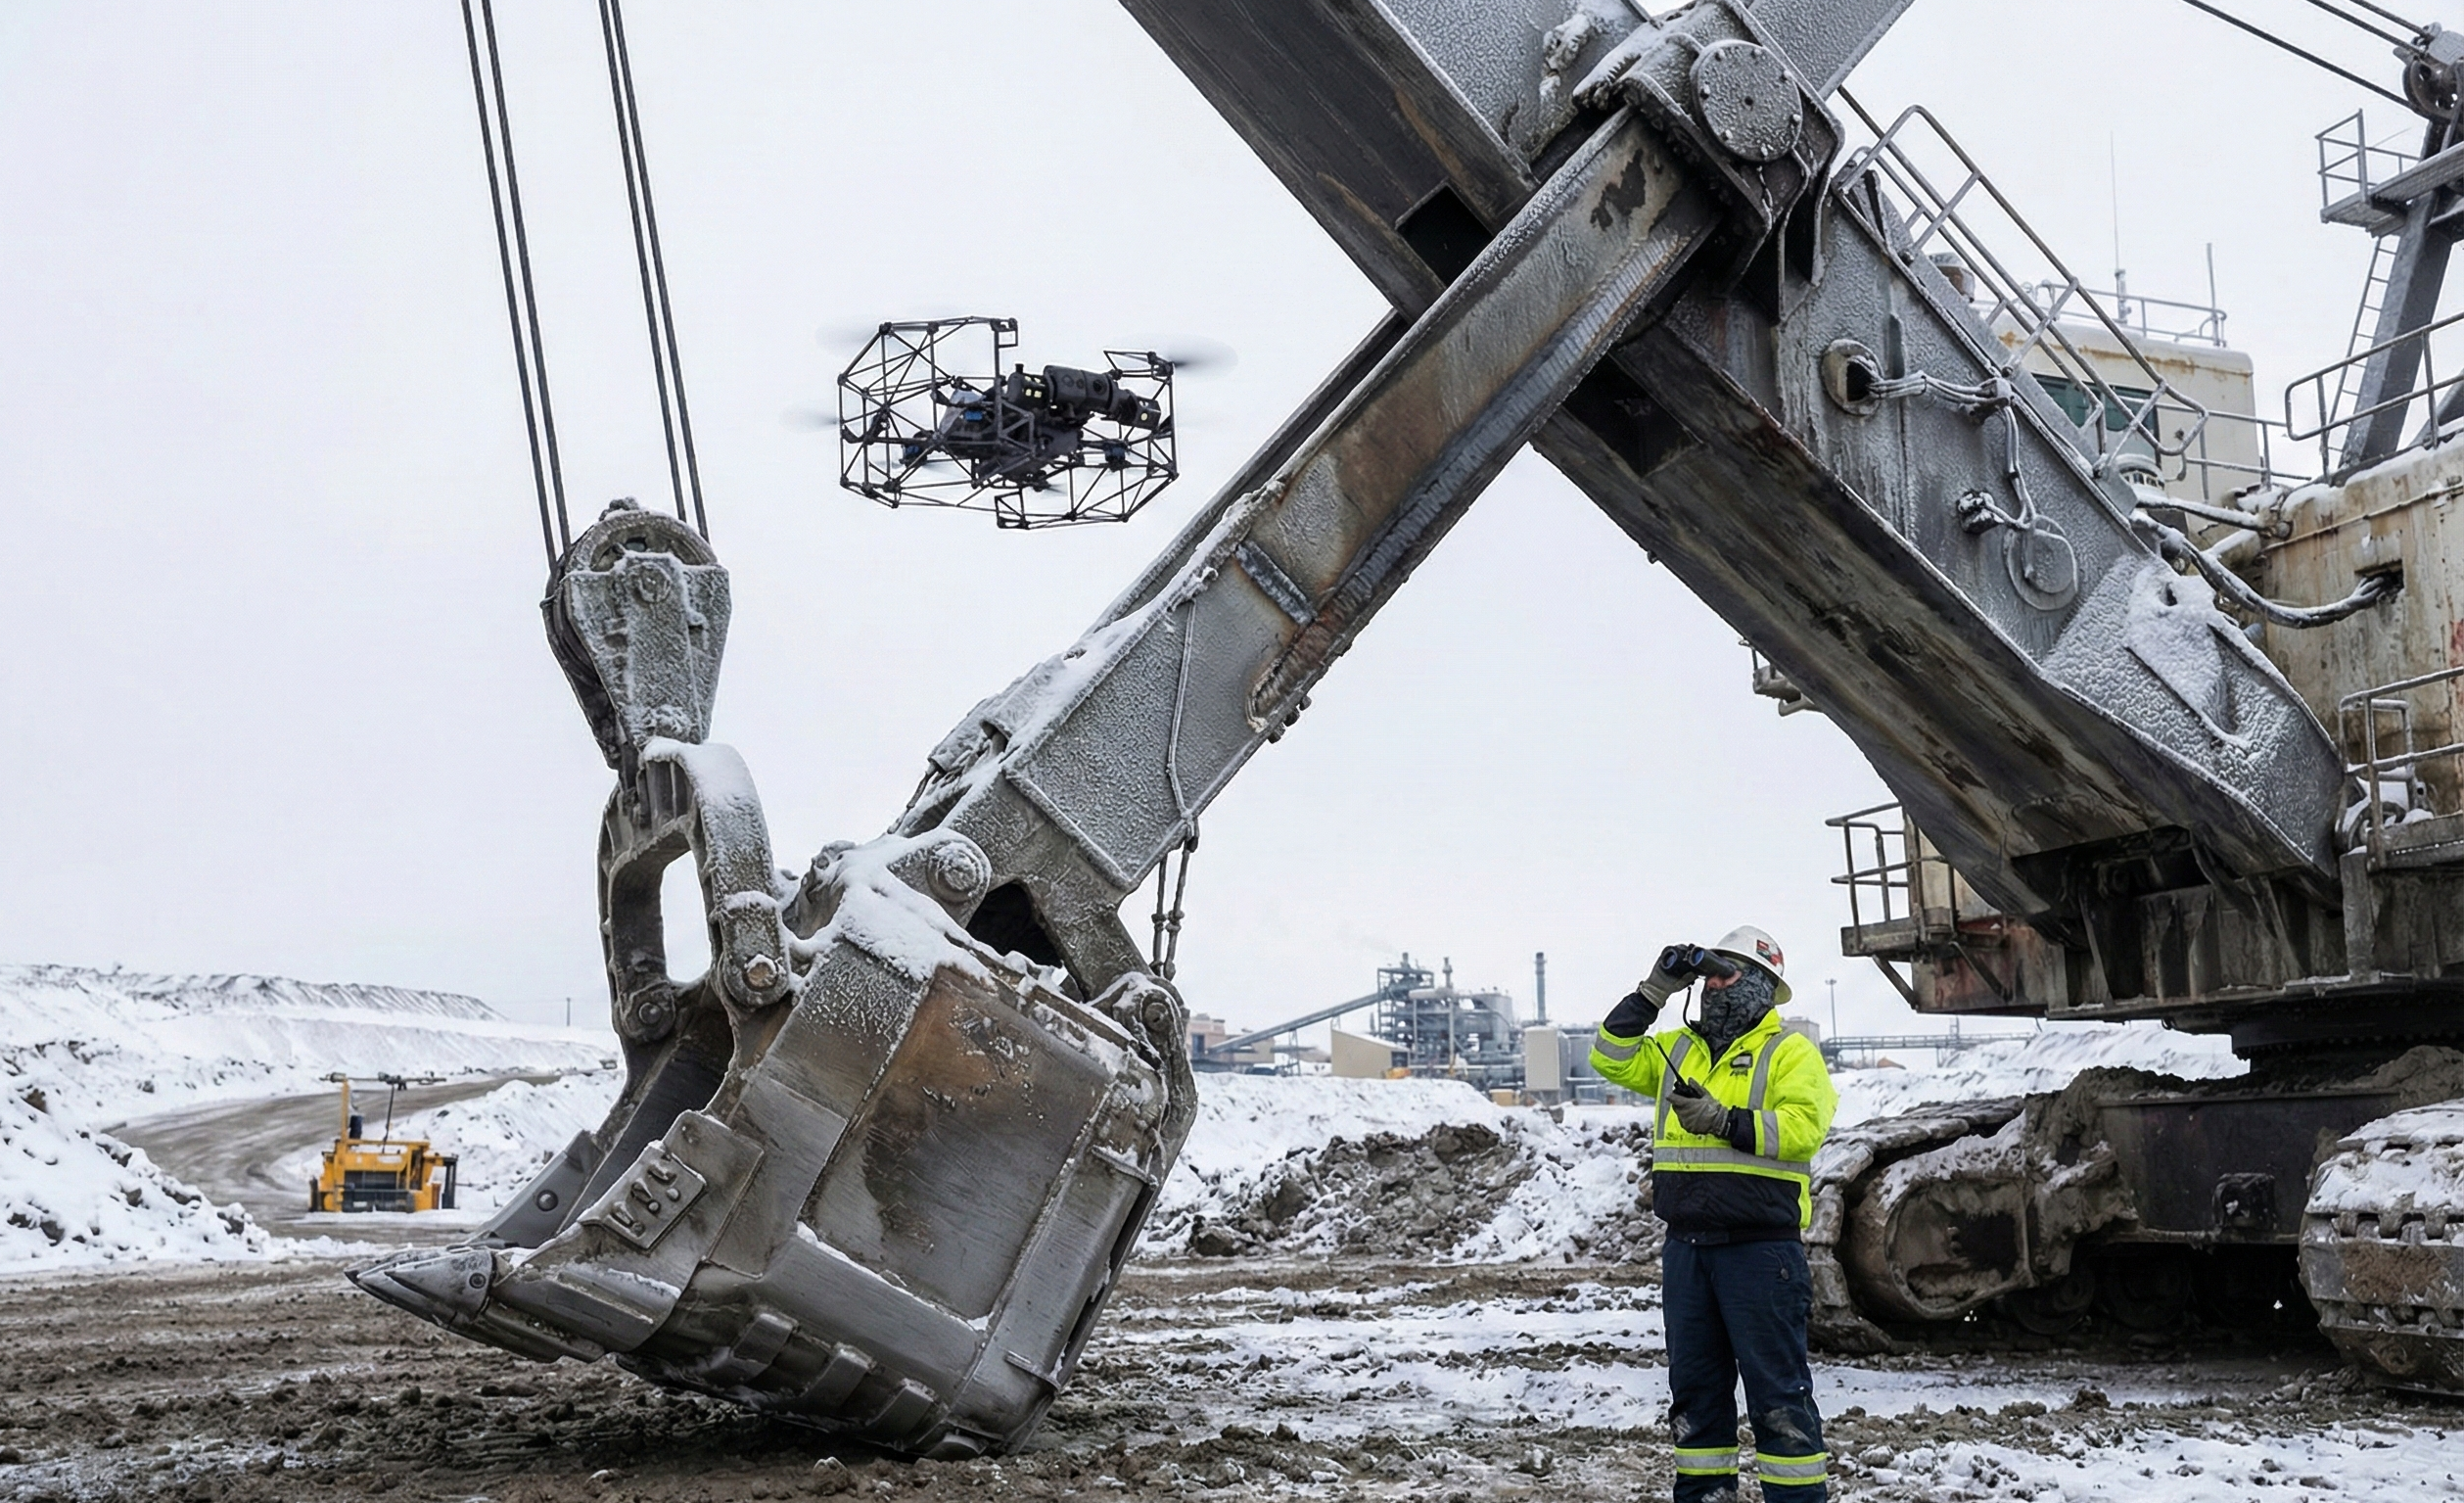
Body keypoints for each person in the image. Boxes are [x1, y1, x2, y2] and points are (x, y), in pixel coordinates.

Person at [1591, 925, 1837, 1503]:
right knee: (1696, 1396)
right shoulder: (1678, 1048)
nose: (1712, 985)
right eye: (1709, 974)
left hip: (1760, 1253)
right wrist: (1653, 992)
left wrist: (1725, 1121)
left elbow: (1803, 1130)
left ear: (1760, 986)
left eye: (1726, 974)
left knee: (1778, 1398)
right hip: (1687, 1252)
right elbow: (1608, 1055)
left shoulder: (1789, 1051)